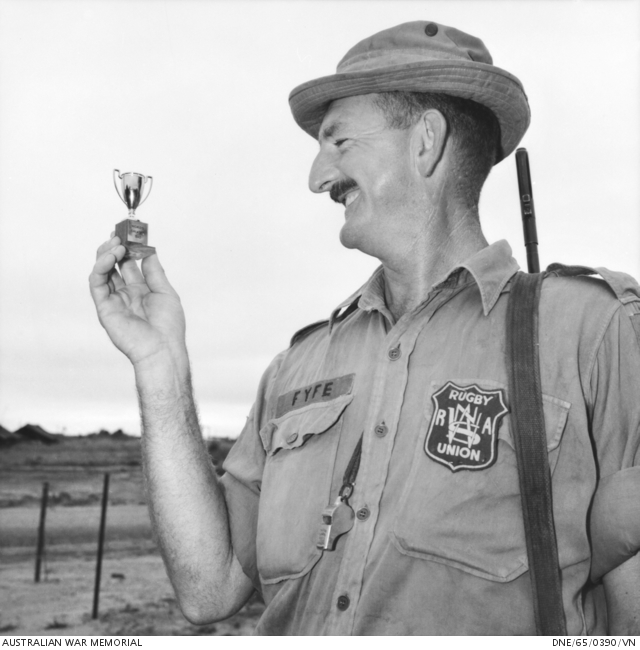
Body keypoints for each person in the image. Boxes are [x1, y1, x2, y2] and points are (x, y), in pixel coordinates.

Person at [89, 21, 640, 635]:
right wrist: (159, 367)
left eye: (340, 141)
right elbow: (207, 584)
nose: (316, 177)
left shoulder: (593, 332)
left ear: (425, 140)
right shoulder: (297, 367)